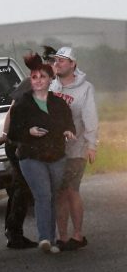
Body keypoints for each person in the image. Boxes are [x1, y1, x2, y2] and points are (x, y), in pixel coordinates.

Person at [8, 52, 76, 254]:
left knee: (54, 196)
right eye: (34, 77)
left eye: (42, 77)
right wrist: (28, 132)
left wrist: (68, 131)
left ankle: (52, 239)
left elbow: (69, 123)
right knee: (42, 195)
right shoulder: (22, 103)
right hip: (31, 156)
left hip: (56, 155)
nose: (37, 81)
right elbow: (13, 133)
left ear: (50, 80)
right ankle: (45, 238)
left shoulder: (59, 103)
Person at [0, 45, 57, 249]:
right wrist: (7, 137)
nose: (54, 66)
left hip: (30, 142)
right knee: (23, 187)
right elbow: (12, 111)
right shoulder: (32, 82)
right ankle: (14, 233)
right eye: (51, 62)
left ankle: (13, 231)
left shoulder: (48, 83)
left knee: (20, 187)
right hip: (20, 142)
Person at [50, 47, 99, 251]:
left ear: (73, 64)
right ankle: (62, 237)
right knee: (59, 193)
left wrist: (91, 144)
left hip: (77, 148)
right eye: (56, 60)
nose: (58, 63)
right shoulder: (51, 85)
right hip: (54, 150)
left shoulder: (85, 88)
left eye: (63, 60)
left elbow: (90, 116)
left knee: (72, 190)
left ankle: (78, 235)